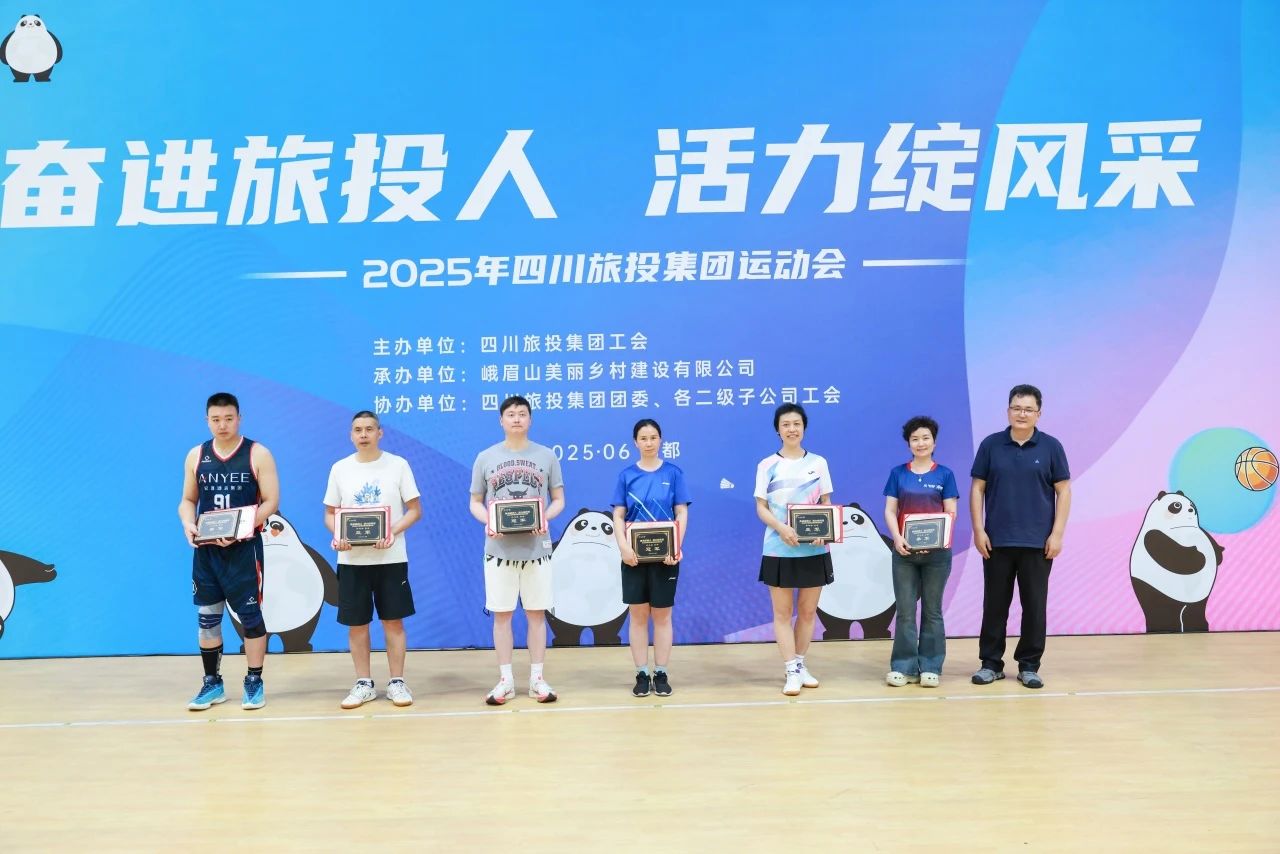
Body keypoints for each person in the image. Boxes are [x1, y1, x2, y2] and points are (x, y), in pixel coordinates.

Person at [178, 392, 280, 711]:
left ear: (239, 418)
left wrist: (241, 527)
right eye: (216, 419)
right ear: (207, 421)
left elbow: (271, 501)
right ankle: (213, 683)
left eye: (228, 419)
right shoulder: (196, 455)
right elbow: (188, 500)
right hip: (207, 552)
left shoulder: (258, 453)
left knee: (250, 618)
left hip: (244, 551)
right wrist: (187, 523)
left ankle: (254, 680)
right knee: (208, 618)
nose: (222, 425)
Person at [970, 384, 1071, 689]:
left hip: (1038, 543)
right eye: (1016, 408)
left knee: (1034, 607)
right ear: (1008, 411)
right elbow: (977, 489)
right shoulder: (991, 445)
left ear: (1038, 414)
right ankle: (990, 663)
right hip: (996, 541)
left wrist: (1057, 534)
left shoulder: (1051, 447)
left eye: (1028, 409)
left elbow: (1064, 491)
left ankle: (1029, 665)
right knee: (994, 606)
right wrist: (978, 529)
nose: (1022, 414)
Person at [468, 395, 565, 705]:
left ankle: (537, 678)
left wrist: (544, 518)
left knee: (537, 615)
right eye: (511, 414)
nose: (517, 419)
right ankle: (505, 680)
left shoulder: (547, 456)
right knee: (502, 616)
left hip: (537, 549)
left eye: (522, 414)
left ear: (530, 419)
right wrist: (489, 520)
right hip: (499, 551)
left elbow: (559, 500)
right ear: (501, 420)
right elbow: (475, 502)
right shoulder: (485, 457)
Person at [323, 411, 423, 709]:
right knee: (357, 624)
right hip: (352, 560)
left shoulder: (398, 465)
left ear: (380, 433)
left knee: (393, 621)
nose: (363, 434)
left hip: (391, 558)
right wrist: (339, 534)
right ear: (351, 435)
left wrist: (391, 532)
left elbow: (415, 510)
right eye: (358, 430)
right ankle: (363, 683)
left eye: (369, 429)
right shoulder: (340, 468)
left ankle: (397, 682)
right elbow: (330, 514)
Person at [754, 403, 834, 696]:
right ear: (778, 429)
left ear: (804, 428)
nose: (791, 429)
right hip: (779, 549)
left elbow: (825, 504)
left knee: (808, 612)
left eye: (796, 424)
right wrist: (781, 528)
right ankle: (790, 670)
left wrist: (823, 531)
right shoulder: (767, 465)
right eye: (786, 424)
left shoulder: (819, 463)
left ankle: (800, 665)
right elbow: (761, 507)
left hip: (814, 551)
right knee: (782, 613)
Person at [611, 418, 690, 697]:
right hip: (633, 558)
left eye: (653, 437)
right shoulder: (626, 476)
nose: (648, 442)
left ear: (661, 440)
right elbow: (618, 515)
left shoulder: (674, 473)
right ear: (635, 442)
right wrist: (624, 547)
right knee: (638, 616)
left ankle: (662, 672)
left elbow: (681, 511)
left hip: (665, 558)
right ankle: (642, 673)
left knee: (663, 616)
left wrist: (675, 546)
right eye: (643, 438)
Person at [882, 416, 959, 688]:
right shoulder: (898, 474)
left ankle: (931, 666)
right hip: (904, 554)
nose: (920, 443)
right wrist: (897, 538)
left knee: (932, 611)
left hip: (937, 555)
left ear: (934, 442)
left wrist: (937, 539)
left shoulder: (945, 475)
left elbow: (951, 512)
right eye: (915, 439)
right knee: (905, 611)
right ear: (908, 444)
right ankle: (903, 667)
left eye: (926, 438)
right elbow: (890, 510)